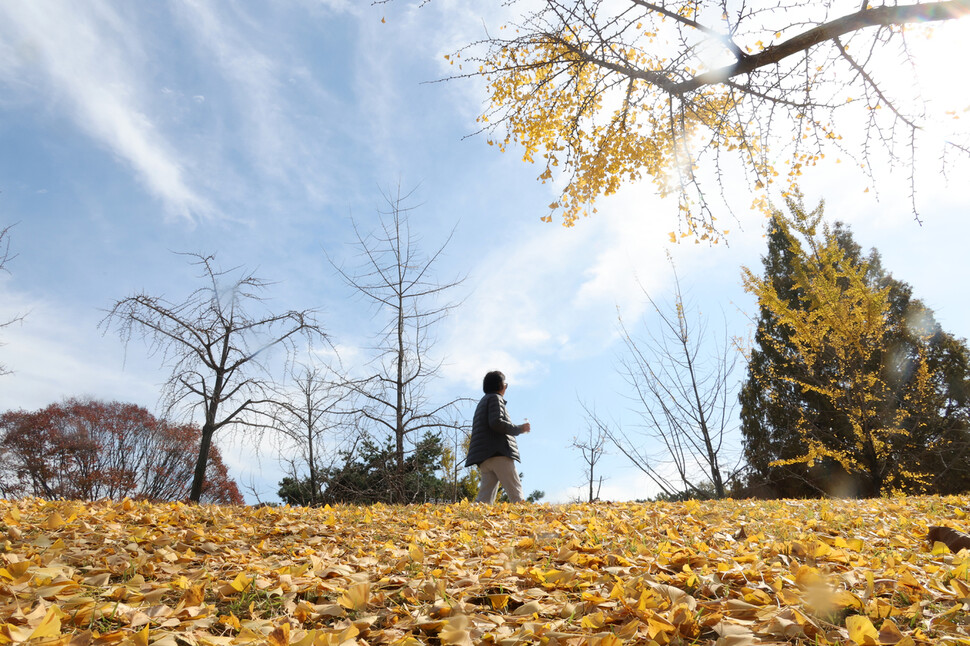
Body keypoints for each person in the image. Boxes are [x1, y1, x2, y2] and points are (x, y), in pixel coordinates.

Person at [465, 370, 531, 503]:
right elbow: (496, 422)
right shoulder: (495, 398)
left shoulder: (483, 402)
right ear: (501, 385)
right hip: (498, 452)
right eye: (505, 384)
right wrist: (519, 429)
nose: (506, 387)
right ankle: (526, 519)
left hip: (484, 457)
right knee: (516, 492)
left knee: (484, 498)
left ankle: (473, 522)